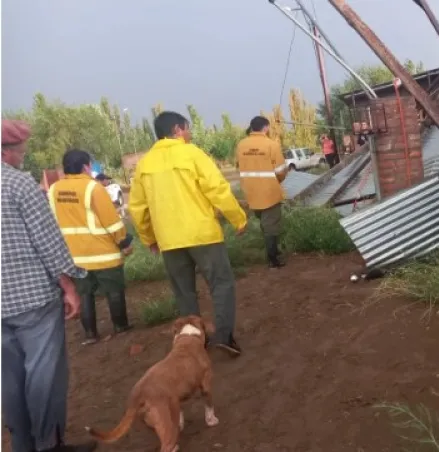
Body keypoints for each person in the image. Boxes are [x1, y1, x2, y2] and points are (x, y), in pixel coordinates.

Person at [1, 119, 97, 452]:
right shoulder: (18, 185)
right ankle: (49, 445)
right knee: (44, 376)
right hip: (32, 302)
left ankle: (21, 446)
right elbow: (47, 241)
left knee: (8, 382)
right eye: (20, 149)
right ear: (7, 152)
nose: (23, 155)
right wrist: (69, 285)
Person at [128, 111, 248, 357]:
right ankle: (223, 337)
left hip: (169, 241)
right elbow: (217, 189)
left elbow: (138, 207)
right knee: (221, 284)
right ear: (178, 129)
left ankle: (194, 342)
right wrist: (237, 217)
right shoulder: (192, 153)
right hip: (203, 234)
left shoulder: (144, 164)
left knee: (184, 293)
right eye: (187, 128)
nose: (189, 133)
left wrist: (149, 237)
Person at [49, 150, 134, 345]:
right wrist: (124, 242)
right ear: (86, 166)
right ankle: (121, 326)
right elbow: (111, 221)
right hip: (103, 252)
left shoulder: (54, 190)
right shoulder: (92, 188)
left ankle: (90, 334)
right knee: (113, 289)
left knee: (85, 293)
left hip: (75, 256)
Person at [235, 116, 287, 269]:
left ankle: (273, 252)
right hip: (269, 193)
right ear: (266, 128)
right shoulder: (272, 145)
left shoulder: (241, 145)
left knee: (264, 224)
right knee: (271, 226)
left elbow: (239, 166)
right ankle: (273, 260)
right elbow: (281, 171)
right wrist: (277, 180)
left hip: (250, 193)